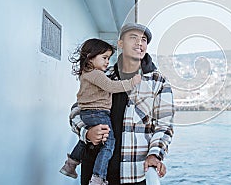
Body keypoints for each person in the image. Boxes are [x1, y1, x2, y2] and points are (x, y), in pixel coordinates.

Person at [69, 23, 175, 185]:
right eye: (133, 37)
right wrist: (87, 132)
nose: (139, 43)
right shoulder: (102, 75)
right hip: (95, 171)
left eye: (144, 40)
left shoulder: (158, 82)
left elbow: (164, 125)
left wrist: (155, 154)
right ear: (120, 43)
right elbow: (77, 110)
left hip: (133, 172)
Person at [60, 38, 142, 185]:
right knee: (109, 143)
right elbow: (111, 86)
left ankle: (70, 164)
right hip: (97, 112)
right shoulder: (98, 74)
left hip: (89, 113)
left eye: (109, 58)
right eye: (104, 58)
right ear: (90, 57)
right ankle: (98, 177)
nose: (107, 62)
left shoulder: (87, 73)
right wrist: (131, 83)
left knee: (85, 140)